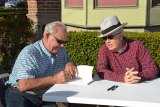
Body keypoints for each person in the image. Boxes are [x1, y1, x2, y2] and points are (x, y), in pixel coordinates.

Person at [5, 21, 77, 107]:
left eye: (65, 42)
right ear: (47, 36)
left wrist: (69, 64)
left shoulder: (60, 50)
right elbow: (23, 85)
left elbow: (68, 60)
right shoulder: (30, 53)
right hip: (21, 94)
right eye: (59, 41)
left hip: (45, 96)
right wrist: (53, 79)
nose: (62, 45)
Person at [97, 16, 158, 84]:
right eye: (104, 38)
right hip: (116, 90)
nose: (107, 41)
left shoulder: (137, 46)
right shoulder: (104, 49)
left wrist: (138, 76)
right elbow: (101, 70)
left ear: (120, 35)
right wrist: (122, 78)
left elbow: (153, 69)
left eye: (110, 37)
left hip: (139, 88)